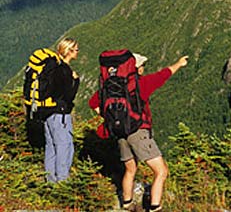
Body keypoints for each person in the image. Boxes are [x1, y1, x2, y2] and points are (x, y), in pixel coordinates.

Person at [88, 53, 188, 212]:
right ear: (136, 69)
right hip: (138, 132)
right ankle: (155, 207)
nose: (143, 68)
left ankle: (127, 204)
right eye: (141, 66)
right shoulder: (141, 84)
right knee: (161, 171)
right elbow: (163, 75)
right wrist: (179, 63)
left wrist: (111, 118)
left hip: (120, 133)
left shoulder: (110, 86)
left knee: (130, 169)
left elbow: (93, 103)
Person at [45, 37, 80, 182]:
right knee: (64, 149)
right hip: (61, 116)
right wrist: (76, 81)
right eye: (76, 50)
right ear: (69, 51)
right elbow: (68, 96)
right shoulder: (65, 71)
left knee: (51, 148)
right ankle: (62, 183)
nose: (78, 52)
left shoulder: (53, 68)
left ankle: (49, 182)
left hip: (48, 114)